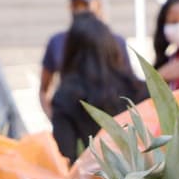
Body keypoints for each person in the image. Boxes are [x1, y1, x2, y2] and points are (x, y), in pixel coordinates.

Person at [51, 13, 148, 163]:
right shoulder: (138, 89)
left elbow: (65, 157)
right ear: (112, 47)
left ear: (70, 52)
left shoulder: (64, 98)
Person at [40, 0, 130, 116]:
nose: (80, 11)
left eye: (85, 5)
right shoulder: (57, 42)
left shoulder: (115, 42)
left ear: (98, 6)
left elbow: (128, 84)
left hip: (109, 119)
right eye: (76, 5)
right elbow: (44, 89)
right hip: (72, 120)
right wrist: (54, 118)